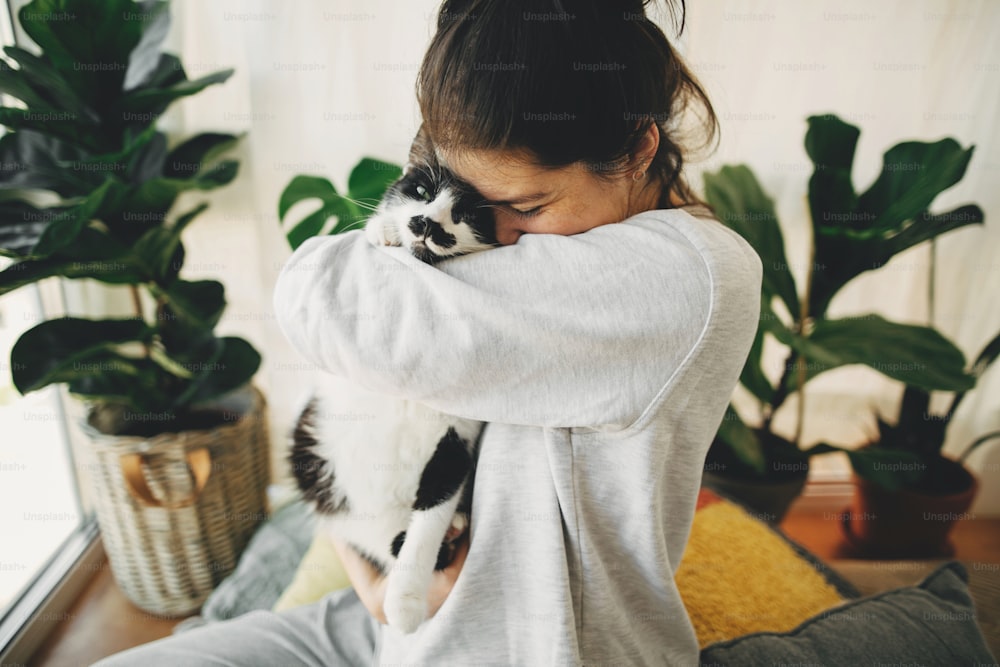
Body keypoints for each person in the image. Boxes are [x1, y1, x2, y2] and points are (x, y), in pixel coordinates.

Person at [94, 0, 762, 665]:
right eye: (472, 200)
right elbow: (333, 352)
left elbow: (321, 298)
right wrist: (378, 585)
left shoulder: (688, 277)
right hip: (381, 627)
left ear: (639, 148)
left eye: (529, 206)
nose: (496, 235)